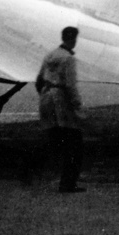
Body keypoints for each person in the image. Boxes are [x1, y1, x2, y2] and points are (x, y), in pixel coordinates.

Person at [23, 26, 85, 193]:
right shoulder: (68, 59)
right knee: (74, 144)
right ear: (74, 40)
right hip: (61, 101)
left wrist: (44, 95)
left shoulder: (50, 55)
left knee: (53, 140)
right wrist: (77, 106)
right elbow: (70, 85)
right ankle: (68, 184)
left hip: (46, 98)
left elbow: (39, 80)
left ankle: (32, 175)